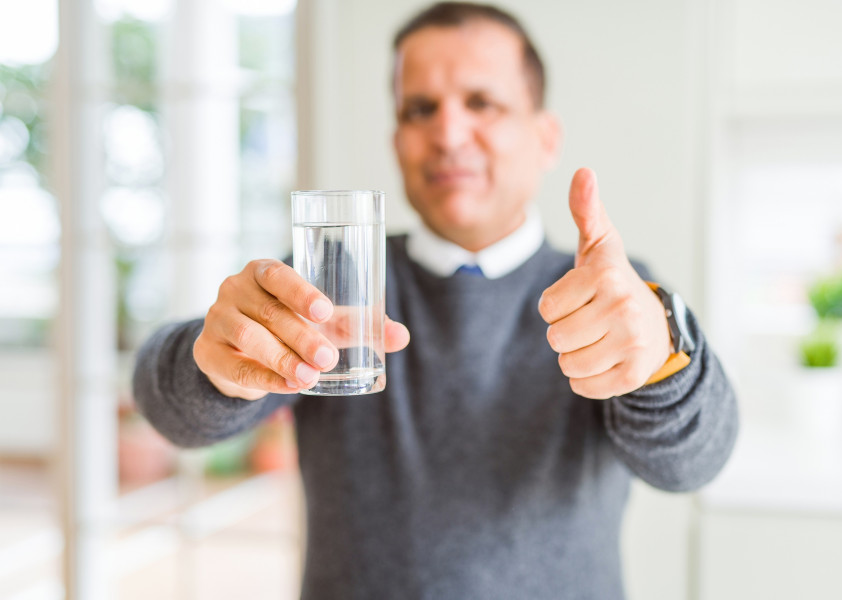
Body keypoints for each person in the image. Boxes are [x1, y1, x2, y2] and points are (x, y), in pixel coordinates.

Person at [133, 2, 738, 598]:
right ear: (397, 140)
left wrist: (664, 352)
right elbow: (167, 409)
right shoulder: (329, 282)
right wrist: (214, 359)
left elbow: (693, 463)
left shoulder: (616, 300)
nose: (447, 135)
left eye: (483, 103)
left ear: (545, 138)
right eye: (420, 110)